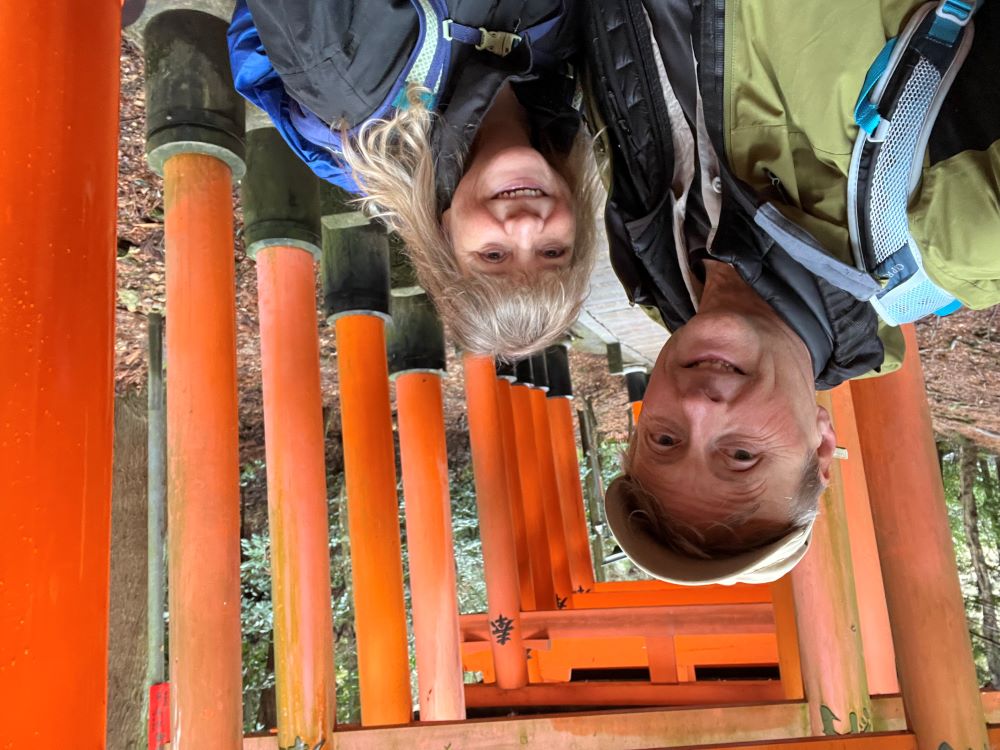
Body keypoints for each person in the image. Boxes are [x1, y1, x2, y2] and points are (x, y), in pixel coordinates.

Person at [584, 0, 1000, 584]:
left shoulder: (652, 249)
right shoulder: (965, 230)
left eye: (665, 438)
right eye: (741, 455)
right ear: (821, 445)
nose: (700, 409)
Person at [228, 0, 598, 358]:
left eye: (493, 255)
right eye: (552, 252)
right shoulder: (571, 79)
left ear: (444, 235)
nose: (526, 226)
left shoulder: (345, 74)